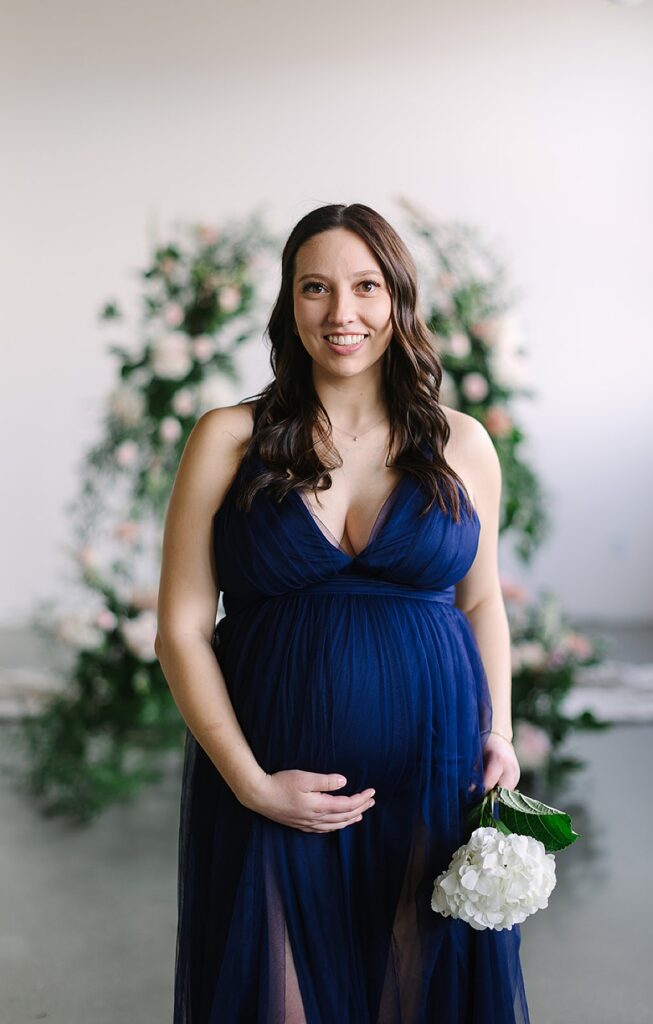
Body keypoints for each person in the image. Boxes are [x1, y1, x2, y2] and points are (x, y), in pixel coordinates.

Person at [155, 202, 530, 1023]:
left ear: (397, 298)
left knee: (414, 997)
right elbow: (180, 628)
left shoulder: (462, 444)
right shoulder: (227, 437)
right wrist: (250, 784)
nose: (341, 313)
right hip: (276, 778)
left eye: (365, 286)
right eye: (314, 287)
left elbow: (480, 603)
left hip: (433, 774)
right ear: (288, 303)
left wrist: (496, 729)